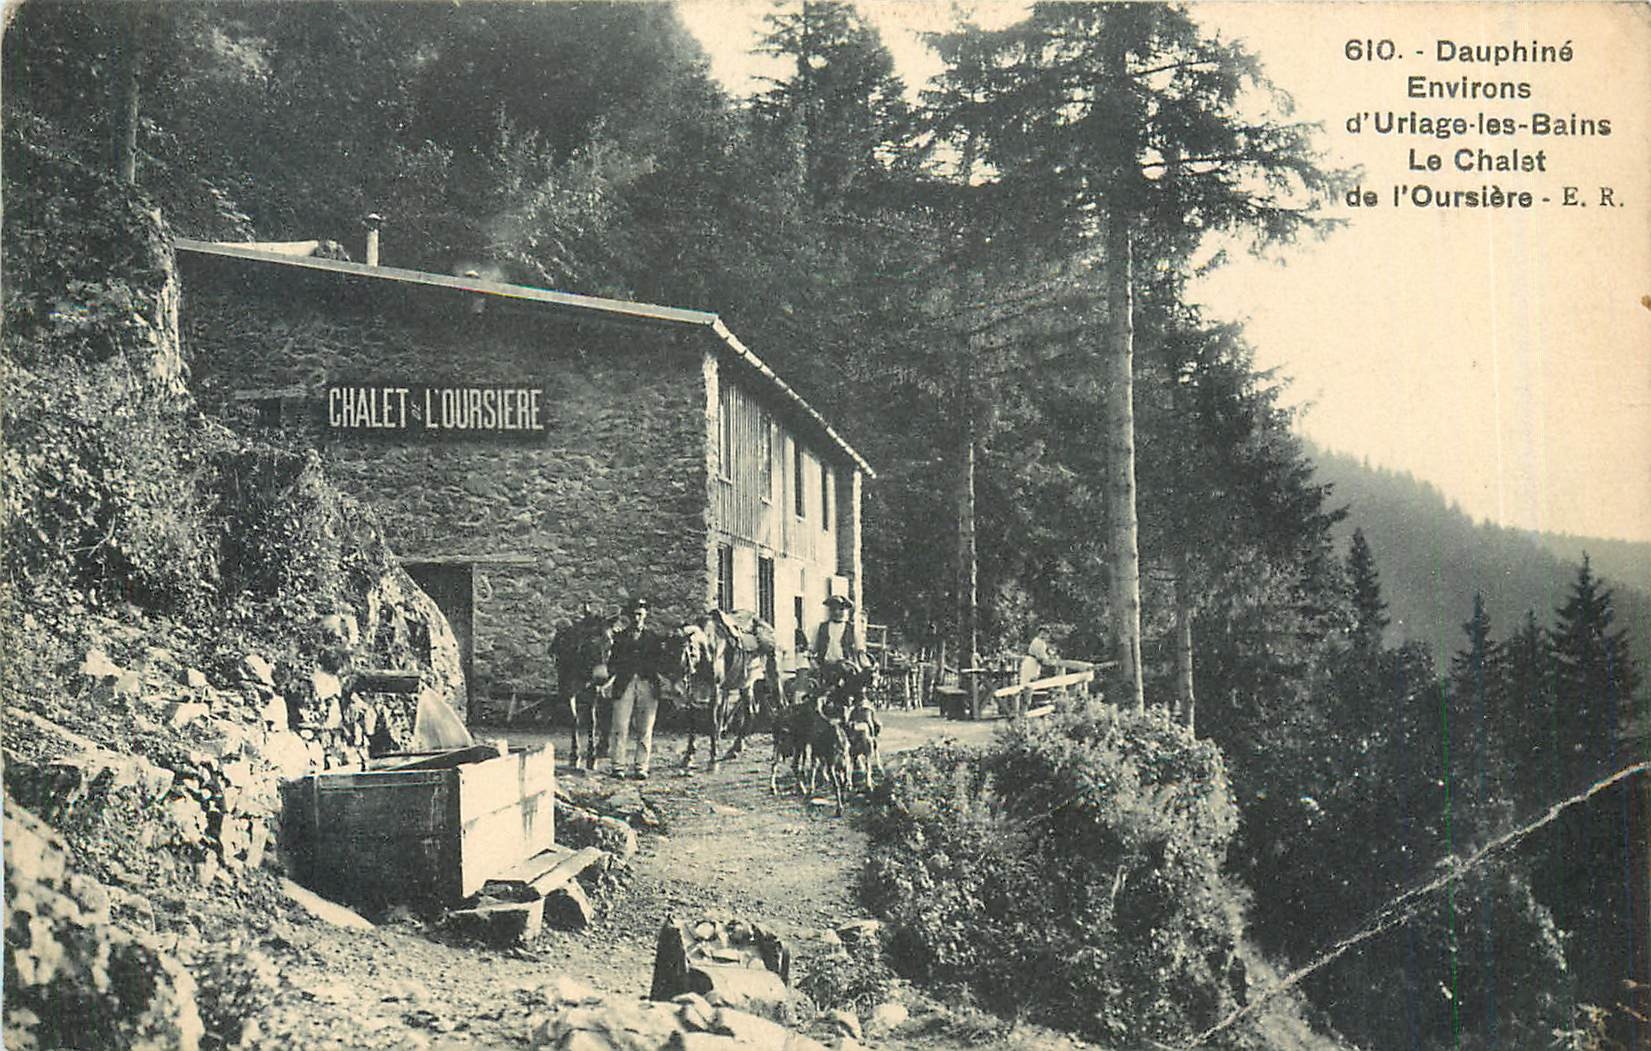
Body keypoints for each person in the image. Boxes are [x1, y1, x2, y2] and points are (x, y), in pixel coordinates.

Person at [606, 598, 660, 780]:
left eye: (640, 614)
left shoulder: (653, 638)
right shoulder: (620, 638)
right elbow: (612, 662)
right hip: (624, 684)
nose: (637, 618)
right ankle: (618, 766)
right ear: (629, 616)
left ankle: (641, 766)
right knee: (620, 726)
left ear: (645, 615)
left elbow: (660, 664)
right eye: (634, 614)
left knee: (645, 727)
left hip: (647, 685)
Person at [812, 595, 869, 702]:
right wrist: (813, 663)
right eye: (833, 609)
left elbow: (860, 650)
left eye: (841, 609)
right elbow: (812, 650)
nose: (837, 612)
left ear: (846, 611)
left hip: (846, 668)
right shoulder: (821, 628)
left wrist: (865, 665)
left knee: (852, 692)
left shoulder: (852, 629)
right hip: (825, 667)